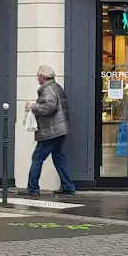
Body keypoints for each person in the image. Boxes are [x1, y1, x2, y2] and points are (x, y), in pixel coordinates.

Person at [19, 65, 75, 196]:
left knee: (37, 157)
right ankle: (68, 186)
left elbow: (49, 108)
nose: (37, 78)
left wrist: (33, 106)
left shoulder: (48, 89)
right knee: (58, 157)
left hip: (51, 131)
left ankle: (32, 188)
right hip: (60, 129)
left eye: (38, 76)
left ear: (42, 77)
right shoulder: (56, 87)